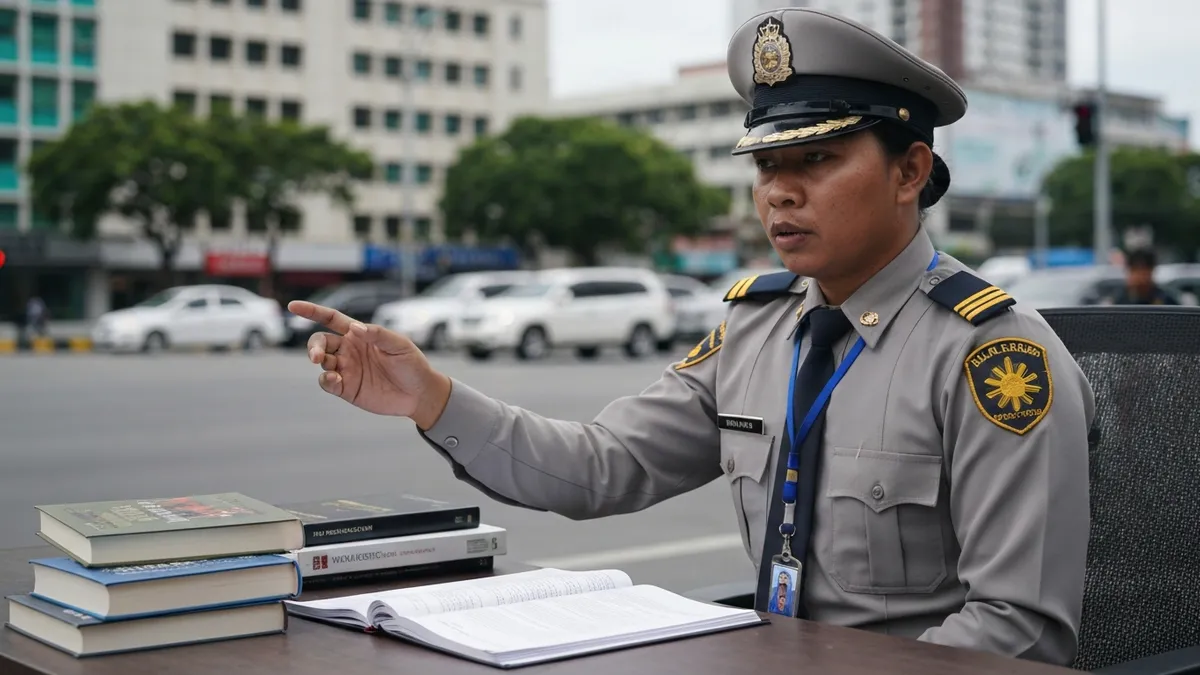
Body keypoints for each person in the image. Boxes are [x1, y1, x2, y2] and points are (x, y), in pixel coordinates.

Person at [289, 7, 1095, 666]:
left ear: (910, 171)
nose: (779, 191)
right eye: (766, 164)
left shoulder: (994, 358)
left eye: (815, 158)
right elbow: (602, 467)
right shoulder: (757, 329)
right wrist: (431, 399)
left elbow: (1017, 632)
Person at [1103, 248, 1180, 305]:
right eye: (1136, 270)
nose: (1140, 277)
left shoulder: (1165, 300)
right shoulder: (1117, 301)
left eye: (1144, 271)